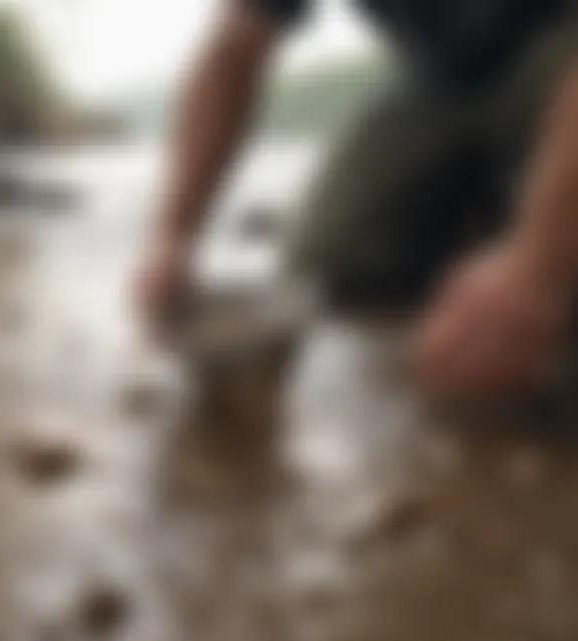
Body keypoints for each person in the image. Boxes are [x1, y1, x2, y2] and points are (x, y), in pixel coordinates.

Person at [134, 0, 578, 397]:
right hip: (439, 75)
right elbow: (232, 50)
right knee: (325, 265)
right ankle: (484, 234)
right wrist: (171, 235)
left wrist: (536, 265)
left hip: (555, 41)